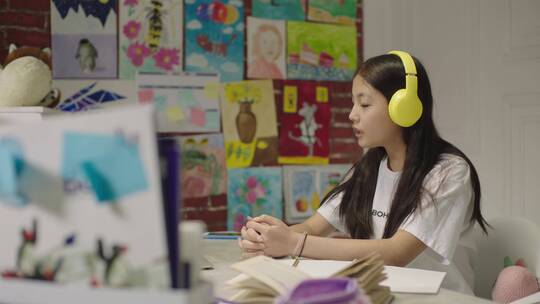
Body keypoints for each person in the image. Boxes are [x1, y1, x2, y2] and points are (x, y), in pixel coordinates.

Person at [238, 51, 489, 295]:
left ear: (404, 108)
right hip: (379, 294)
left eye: (364, 103)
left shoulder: (449, 172)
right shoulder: (367, 168)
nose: (351, 115)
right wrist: (265, 237)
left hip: (440, 298)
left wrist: (293, 243)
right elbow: (313, 228)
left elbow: (396, 253)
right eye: (353, 103)